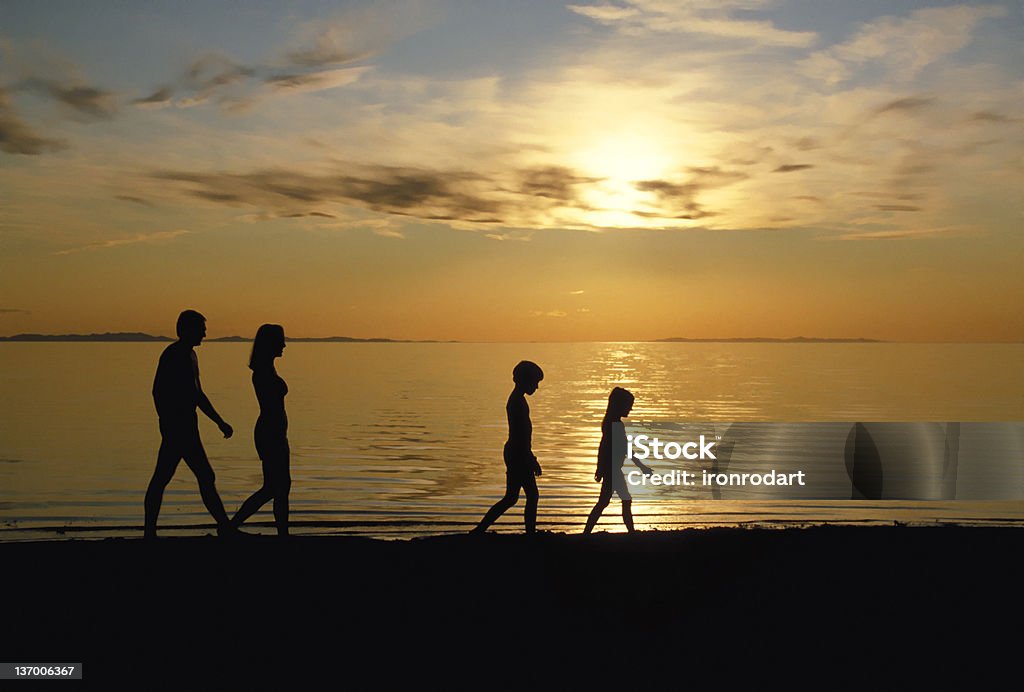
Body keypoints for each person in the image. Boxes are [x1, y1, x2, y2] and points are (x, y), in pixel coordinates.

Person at [144, 309, 236, 539]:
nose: (204, 334)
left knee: (167, 477)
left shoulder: (191, 356)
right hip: (178, 429)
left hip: (187, 427)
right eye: (201, 329)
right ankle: (224, 527)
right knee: (198, 476)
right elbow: (158, 391)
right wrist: (167, 421)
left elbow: (198, 394)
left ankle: (150, 532)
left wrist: (219, 421)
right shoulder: (173, 354)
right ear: (187, 329)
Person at [231, 324, 291, 536]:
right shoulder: (263, 371)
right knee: (275, 488)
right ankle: (231, 526)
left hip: (275, 433)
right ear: (271, 343)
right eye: (280, 340)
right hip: (270, 433)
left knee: (280, 487)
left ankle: (282, 533)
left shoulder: (268, 368)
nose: (284, 344)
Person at [472, 360, 544, 534]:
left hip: (516, 451)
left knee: (512, 497)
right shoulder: (517, 402)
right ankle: (530, 534)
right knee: (530, 496)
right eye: (535, 382)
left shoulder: (518, 400)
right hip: (518, 453)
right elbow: (521, 436)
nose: (536, 387)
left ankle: (480, 530)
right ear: (525, 380)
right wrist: (531, 459)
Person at [583, 387, 652, 534]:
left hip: (612, 469)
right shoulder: (615, 425)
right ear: (619, 405)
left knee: (607, 502)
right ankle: (630, 532)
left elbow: (604, 447)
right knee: (618, 501)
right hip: (612, 470)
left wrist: (599, 467)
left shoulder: (611, 422)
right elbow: (615, 448)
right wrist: (642, 467)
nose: (630, 409)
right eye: (628, 406)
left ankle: (587, 532)